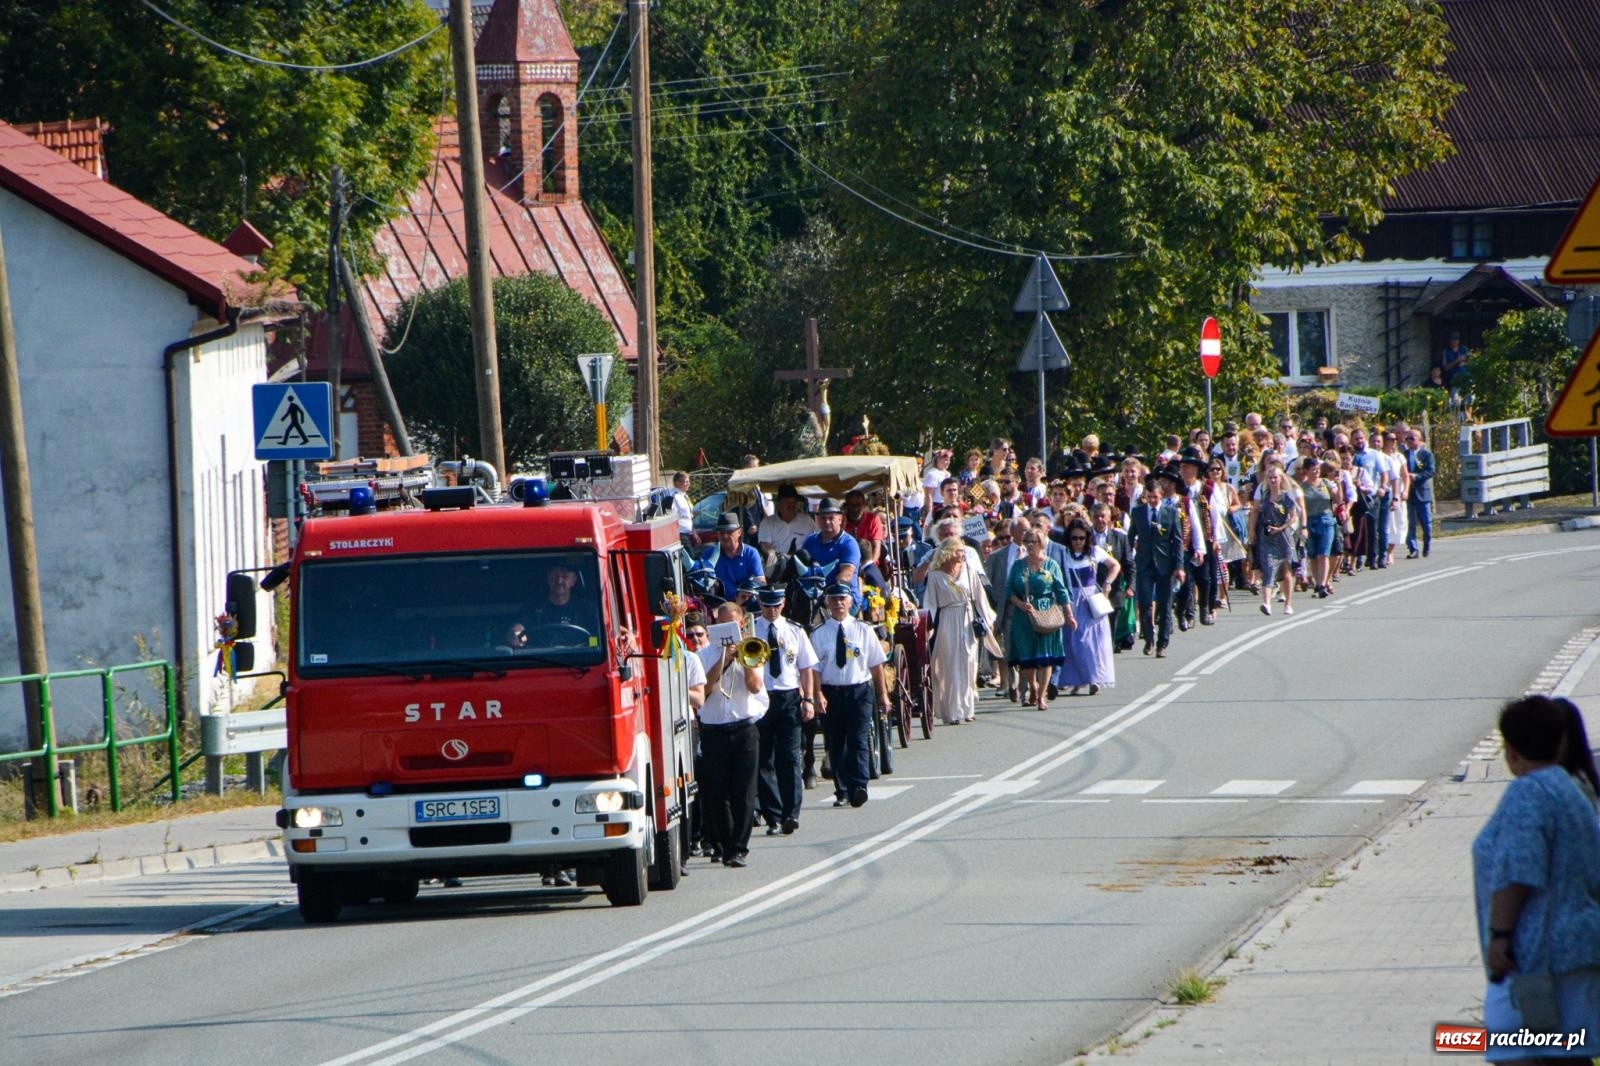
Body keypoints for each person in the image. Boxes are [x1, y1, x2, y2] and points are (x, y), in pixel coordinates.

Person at [1472, 695, 1600, 1062]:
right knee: (1568, 1052)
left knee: (1510, 1049)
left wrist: (1500, 936)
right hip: (1577, 947)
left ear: (1511, 751)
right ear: (1560, 742)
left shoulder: (1528, 792)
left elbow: (1518, 872)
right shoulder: (1572, 789)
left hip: (1534, 955)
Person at [697, 604, 769, 869]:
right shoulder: (703, 655)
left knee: (744, 792)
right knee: (717, 794)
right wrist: (724, 660)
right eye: (722, 625)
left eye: (733, 625)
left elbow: (755, 687)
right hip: (713, 730)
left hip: (744, 728)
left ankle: (738, 849)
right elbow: (704, 690)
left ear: (741, 626)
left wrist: (743, 660)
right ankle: (727, 845)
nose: (728, 630)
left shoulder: (752, 649)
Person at [810, 584, 890, 808]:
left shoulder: (863, 629)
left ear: (850, 602)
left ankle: (859, 786)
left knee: (858, 740)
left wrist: (883, 695)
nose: (838, 603)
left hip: (859, 691)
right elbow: (814, 669)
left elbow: (876, 665)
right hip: (831, 692)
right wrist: (817, 694)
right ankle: (842, 790)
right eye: (834, 599)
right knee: (836, 742)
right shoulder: (819, 633)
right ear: (827, 602)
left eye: (842, 599)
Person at [753, 587, 818, 837]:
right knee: (764, 759)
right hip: (760, 697)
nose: (772, 611)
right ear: (760, 604)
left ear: (783, 603)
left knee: (789, 757)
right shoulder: (751, 629)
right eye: (767, 606)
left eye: (776, 605)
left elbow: (805, 667)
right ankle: (774, 816)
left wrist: (808, 699)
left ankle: (791, 814)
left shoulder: (795, 630)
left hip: (788, 696)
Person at [1006, 529, 1071, 710]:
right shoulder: (1018, 566)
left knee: (1045, 657)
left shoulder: (1051, 565)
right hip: (1023, 616)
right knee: (1026, 655)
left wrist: (1069, 614)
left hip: (1046, 614)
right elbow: (1009, 590)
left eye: (1033, 541)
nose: (1029, 545)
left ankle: (1042, 695)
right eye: (1027, 541)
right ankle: (1032, 686)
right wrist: (1020, 604)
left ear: (1041, 543)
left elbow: (1061, 591)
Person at [1056, 517, 1117, 696]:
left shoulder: (1094, 552)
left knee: (1090, 642)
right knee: (1071, 642)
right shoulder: (1063, 554)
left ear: (1087, 538)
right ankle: (1077, 680)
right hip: (1070, 600)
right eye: (1074, 538)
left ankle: (1094, 678)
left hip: (1090, 602)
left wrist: (1107, 583)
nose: (1078, 542)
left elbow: (1115, 565)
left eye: (1081, 538)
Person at [1130, 470, 1185, 657]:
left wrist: (1179, 567)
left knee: (1165, 604)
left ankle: (1162, 644)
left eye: (1155, 497)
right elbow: (1131, 537)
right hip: (1144, 564)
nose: (1153, 500)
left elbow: (1177, 541)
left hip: (1164, 564)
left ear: (1161, 495)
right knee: (1145, 603)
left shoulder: (1171, 512)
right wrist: (1130, 558)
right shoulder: (1137, 512)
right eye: (1149, 497)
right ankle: (1149, 639)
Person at [925, 538, 980, 724]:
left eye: (963, 551)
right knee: (949, 666)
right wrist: (928, 626)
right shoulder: (934, 576)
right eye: (958, 551)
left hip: (967, 619)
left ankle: (968, 709)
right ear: (947, 553)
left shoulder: (969, 571)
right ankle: (951, 712)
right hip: (947, 620)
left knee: (969, 663)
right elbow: (930, 603)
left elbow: (979, 598)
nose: (962, 554)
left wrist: (988, 621)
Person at [800, 498, 863, 610]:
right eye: (823, 518)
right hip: (814, 596)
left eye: (831, 518)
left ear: (840, 519)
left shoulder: (848, 543)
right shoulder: (810, 541)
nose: (827, 522)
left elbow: (846, 575)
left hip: (844, 598)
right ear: (818, 520)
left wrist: (826, 595)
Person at [1090, 502, 1135, 652]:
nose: (1100, 519)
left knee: (1110, 628)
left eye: (1103, 516)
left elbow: (1129, 564)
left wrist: (1131, 586)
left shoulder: (1119, 538)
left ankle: (1107, 653)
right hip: (1091, 590)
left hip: (1113, 590)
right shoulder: (1085, 537)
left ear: (1109, 518)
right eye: (1096, 517)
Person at [1253, 466, 1298, 616]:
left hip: (1284, 537)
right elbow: (1256, 511)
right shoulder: (1264, 496)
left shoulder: (1286, 497)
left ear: (1280, 479)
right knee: (1268, 568)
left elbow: (1293, 517)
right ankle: (1266, 603)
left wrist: (1281, 528)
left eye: (1275, 477)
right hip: (1267, 537)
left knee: (1286, 571)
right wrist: (1252, 530)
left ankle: (1288, 604)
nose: (1273, 480)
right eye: (1270, 478)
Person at [525, 558, 601, 636]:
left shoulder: (587, 609)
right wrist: (518, 634)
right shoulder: (532, 607)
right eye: (555, 576)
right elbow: (520, 629)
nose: (559, 581)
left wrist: (592, 643)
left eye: (565, 577)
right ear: (548, 578)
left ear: (573, 580)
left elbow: (595, 636)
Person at [700, 512, 765, 601]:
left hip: (745, 603)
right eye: (721, 533)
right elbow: (702, 584)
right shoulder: (709, 554)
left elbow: (761, 583)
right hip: (719, 603)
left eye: (729, 532)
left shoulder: (751, 553)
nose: (725, 536)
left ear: (739, 532)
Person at [1299, 457, 1338, 598]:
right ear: (1306, 471)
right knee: (1313, 555)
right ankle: (1317, 583)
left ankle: (1322, 584)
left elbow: (1338, 499)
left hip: (1326, 520)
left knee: (1323, 554)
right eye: (1313, 470)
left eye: (1317, 470)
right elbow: (1300, 507)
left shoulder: (1326, 483)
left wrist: (1339, 485)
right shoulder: (1302, 487)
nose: (1316, 472)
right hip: (1310, 521)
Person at [757, 484, 816, 556]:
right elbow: (765, 546)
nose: (791, 505)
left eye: (794, 501)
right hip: (778, 561)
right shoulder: (767, 523)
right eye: (787, 501)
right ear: (779, 504)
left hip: (803, 561)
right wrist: (773, 555)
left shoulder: (807, 521)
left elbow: (818, 538)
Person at [1404, 429, 1435, 558]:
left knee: (1426, 523)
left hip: (1422, 492)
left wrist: (1417, 476)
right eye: (1407, 438)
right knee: (1409, 523)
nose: (1409, 441)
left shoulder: (1426, 455)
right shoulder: (1403, 455)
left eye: (1412, 438)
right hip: (1408, 493)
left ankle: (1427, 544)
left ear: (1419, 439)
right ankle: (1413, 549)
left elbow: (1430, 471)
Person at [670, 471, 695, 552]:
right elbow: (672, 516)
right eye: (686, 482)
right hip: (680, 533)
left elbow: (689, 516)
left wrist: (694, 533)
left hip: (688, 532)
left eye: (688, 482)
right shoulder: (674, 496)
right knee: (690, 556)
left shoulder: (684, 496)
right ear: (677, 483)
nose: (688, 484)